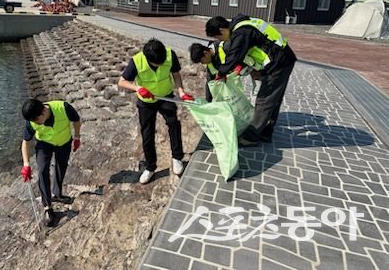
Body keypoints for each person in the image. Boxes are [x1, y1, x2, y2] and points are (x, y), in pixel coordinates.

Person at [199, 14, 297, 146]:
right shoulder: (242, 25)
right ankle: (266, 132)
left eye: (218, 37)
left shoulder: (241, 32)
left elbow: (235, 55)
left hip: (278, 63)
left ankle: (251, 137)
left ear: (222, 30)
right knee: (274, 98)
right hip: (282, 60)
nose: (219, 40)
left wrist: (221, 72)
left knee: (264, 100)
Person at [118, 38, 194, 184]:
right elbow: (122, 81)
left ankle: (177, 158)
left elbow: (176, 75)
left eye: (161, 62)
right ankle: (150, 167)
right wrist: (138, 88)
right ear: (147, 58)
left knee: (173, 123)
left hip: (166, 96)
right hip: (146, 101)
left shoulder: (170, 54)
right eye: (156, 63)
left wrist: (181, 91)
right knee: (147, 134)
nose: (160, 65)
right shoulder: (137, 61)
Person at [20, 99, 81, 227]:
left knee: (61, 166)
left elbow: (76, 120)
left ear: (43, 112)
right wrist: (26, 164)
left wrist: (77, 137)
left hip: (64, 142)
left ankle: (57, 194)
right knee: (42, 171)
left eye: (36, 120)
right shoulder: (32, 121)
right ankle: (47, 207)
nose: (34, 123)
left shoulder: (63, 107)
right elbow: (26, 142)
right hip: (44, 144)